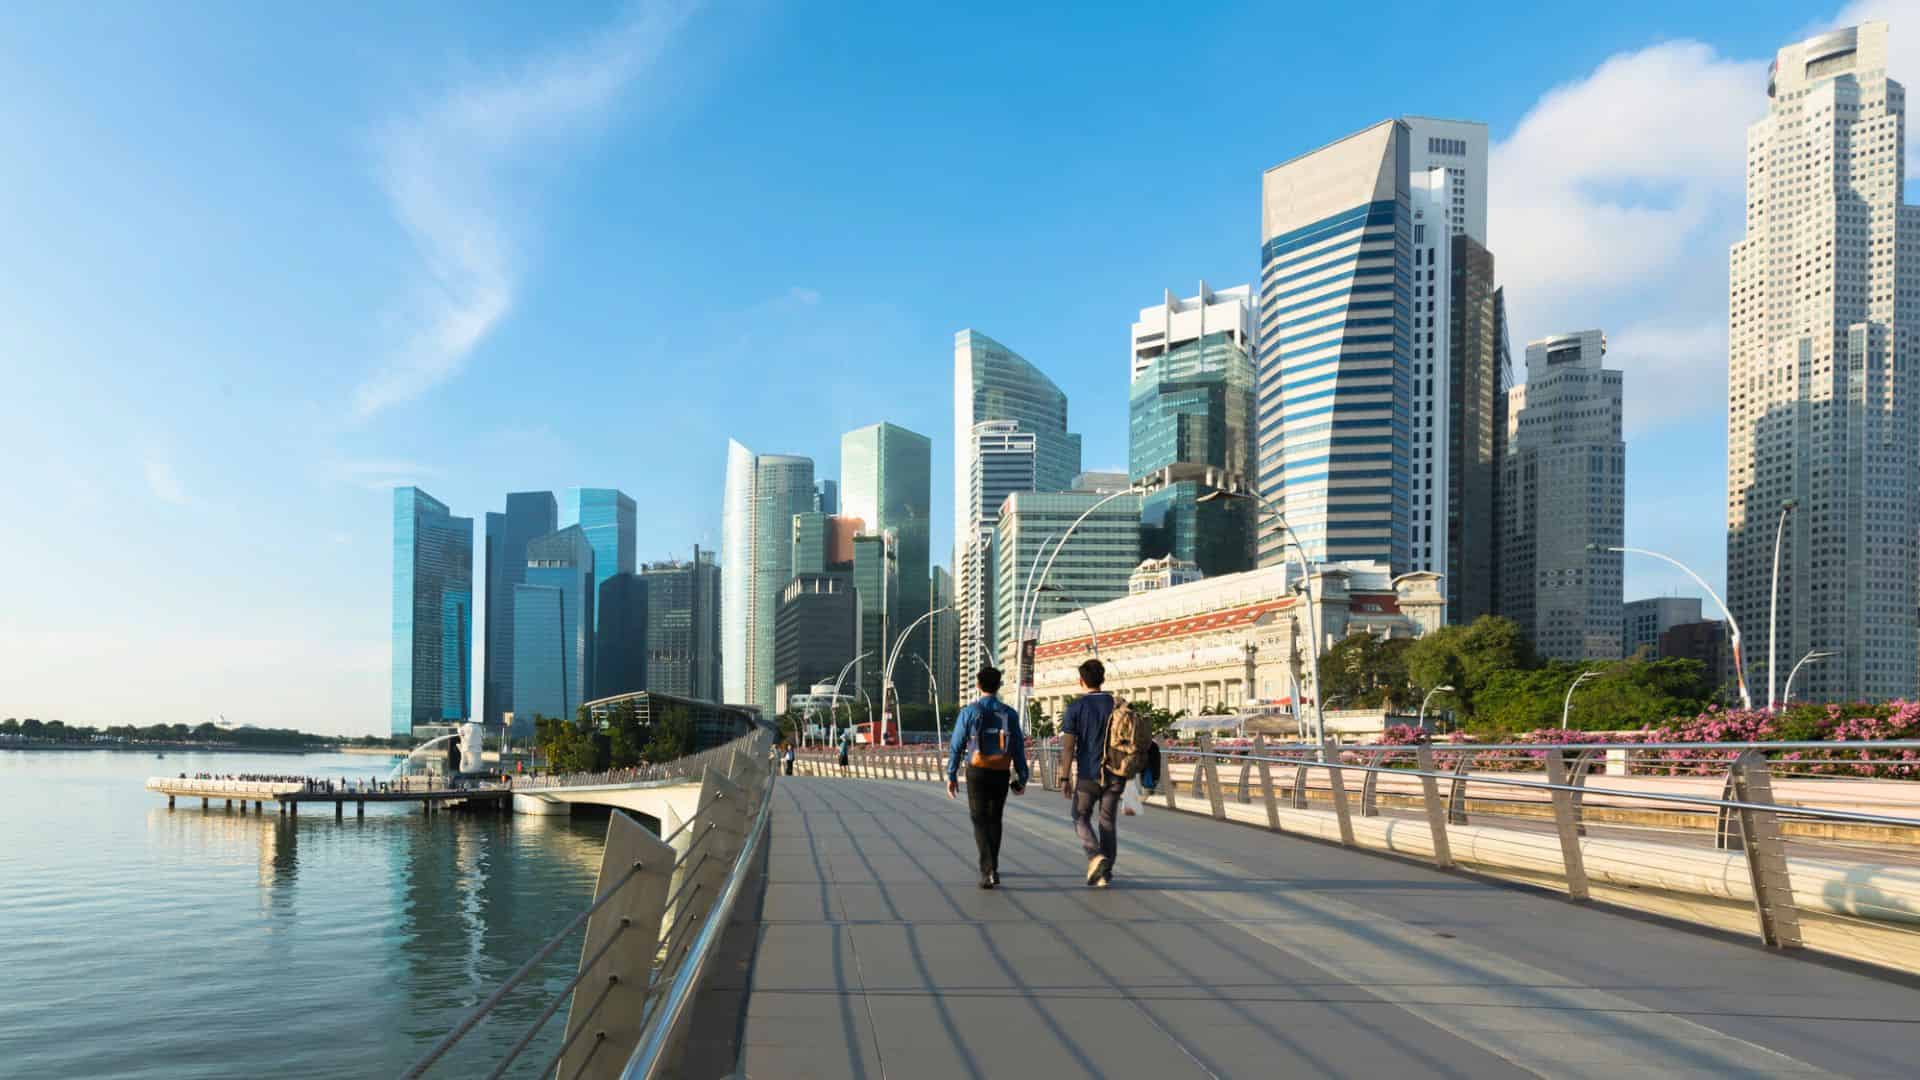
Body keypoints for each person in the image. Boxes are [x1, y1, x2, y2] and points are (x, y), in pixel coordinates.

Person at [945, 666, 1028, 889]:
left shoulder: (969, 711)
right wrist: (1023, 776)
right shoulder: (1010, 713)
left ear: (978, 685)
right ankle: (993, 867)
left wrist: (951, 774)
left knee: (979, 819)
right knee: (995, 818)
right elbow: (1018, 747)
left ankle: (988, 870)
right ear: (999, 685)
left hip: (977, 770)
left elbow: (956, 745)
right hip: (1001, 770)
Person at [1060, 658, 1122, 887]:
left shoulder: (1076, 708)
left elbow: (1068, 747)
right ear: (1103, 679)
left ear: (1081, 681)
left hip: (1088, 774)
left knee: (1080, 817)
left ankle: (1096, 856)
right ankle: (1105, 873)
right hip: (1116, 774)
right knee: (1107, 822)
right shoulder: (1117, 705)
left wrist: (1065, 777)